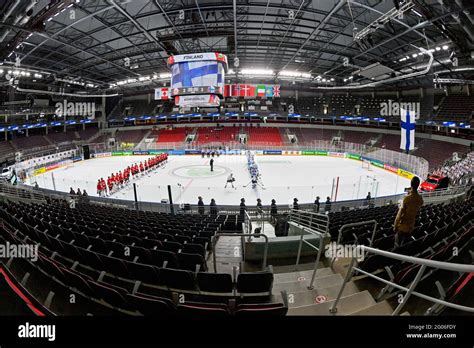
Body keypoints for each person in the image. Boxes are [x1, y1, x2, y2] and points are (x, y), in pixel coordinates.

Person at [394, 176, 424, 247]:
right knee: (404, 245)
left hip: (402, 227)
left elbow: (400, 214)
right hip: (411, 227)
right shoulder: (420, 199)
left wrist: (395, 225)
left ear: (411, 185)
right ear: (418, 185)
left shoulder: (407, 199)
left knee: (397, 245)